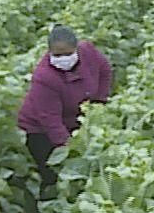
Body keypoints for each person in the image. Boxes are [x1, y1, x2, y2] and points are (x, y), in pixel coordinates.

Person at [15, 25, 113, 193]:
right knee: (53, 172)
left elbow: (105, 71)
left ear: (76, 49)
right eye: (57, 55)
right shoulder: (44, 77)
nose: (63, 58)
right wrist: (72, 149)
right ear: (49, 52)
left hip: (73, 118)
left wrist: (99, 102)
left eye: (68, 54)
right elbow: (50, 120)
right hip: (40, 128)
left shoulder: (88, 51)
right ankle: (51, 203)